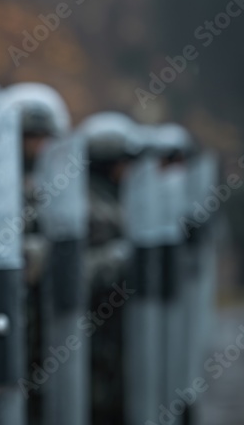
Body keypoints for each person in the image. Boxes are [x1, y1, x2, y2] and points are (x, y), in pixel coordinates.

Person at [0, 82, 73, 423]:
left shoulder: (55, 187)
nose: (38, 147)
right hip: (7, 319)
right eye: (29, 137)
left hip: (48, 319)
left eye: (44, 137)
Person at [77, 111, 144, 425]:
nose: (127, 170)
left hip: (116, 323)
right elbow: (76, 271)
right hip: (89, 326)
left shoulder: (119, 199)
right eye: (121, 161)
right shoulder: (84, 205)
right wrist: (119, 258)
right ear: (104, 163)